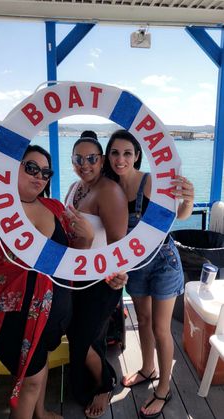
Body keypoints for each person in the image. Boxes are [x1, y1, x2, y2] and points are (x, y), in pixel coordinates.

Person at [0, 144, 94, 419]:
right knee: (31, 381)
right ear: (12, 169)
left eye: (46, 172)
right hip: (14, 319)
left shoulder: (54, 207)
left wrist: (87, 239)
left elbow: (75, 263)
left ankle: (42, 412)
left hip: (53, 313)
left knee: (41, 364)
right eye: (31, 168)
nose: (39, 176)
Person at [103, 129, 194, 419]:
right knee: (141, 319)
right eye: (115, 153)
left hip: (163, 261)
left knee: (160, 328)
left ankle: (164, 389)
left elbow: (178, 215)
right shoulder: (109, 187)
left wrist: (189, 199)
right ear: (108, 156)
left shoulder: (150, 182)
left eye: (127, 153)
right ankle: (147, 368)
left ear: (137, 155)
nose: (120, 159)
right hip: (135, 265)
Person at [64, 132, 128, 418]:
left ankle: (105, 384)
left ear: (101, 161)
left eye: (91, 158)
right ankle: (88, 381)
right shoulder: (74, 187)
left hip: (101, 281)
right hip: (74, 277)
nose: (85, 164)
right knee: (78, 333)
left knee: (85, 337)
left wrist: (118, 274)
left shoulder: (109, 191)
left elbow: (120, 245)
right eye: (79, 158)